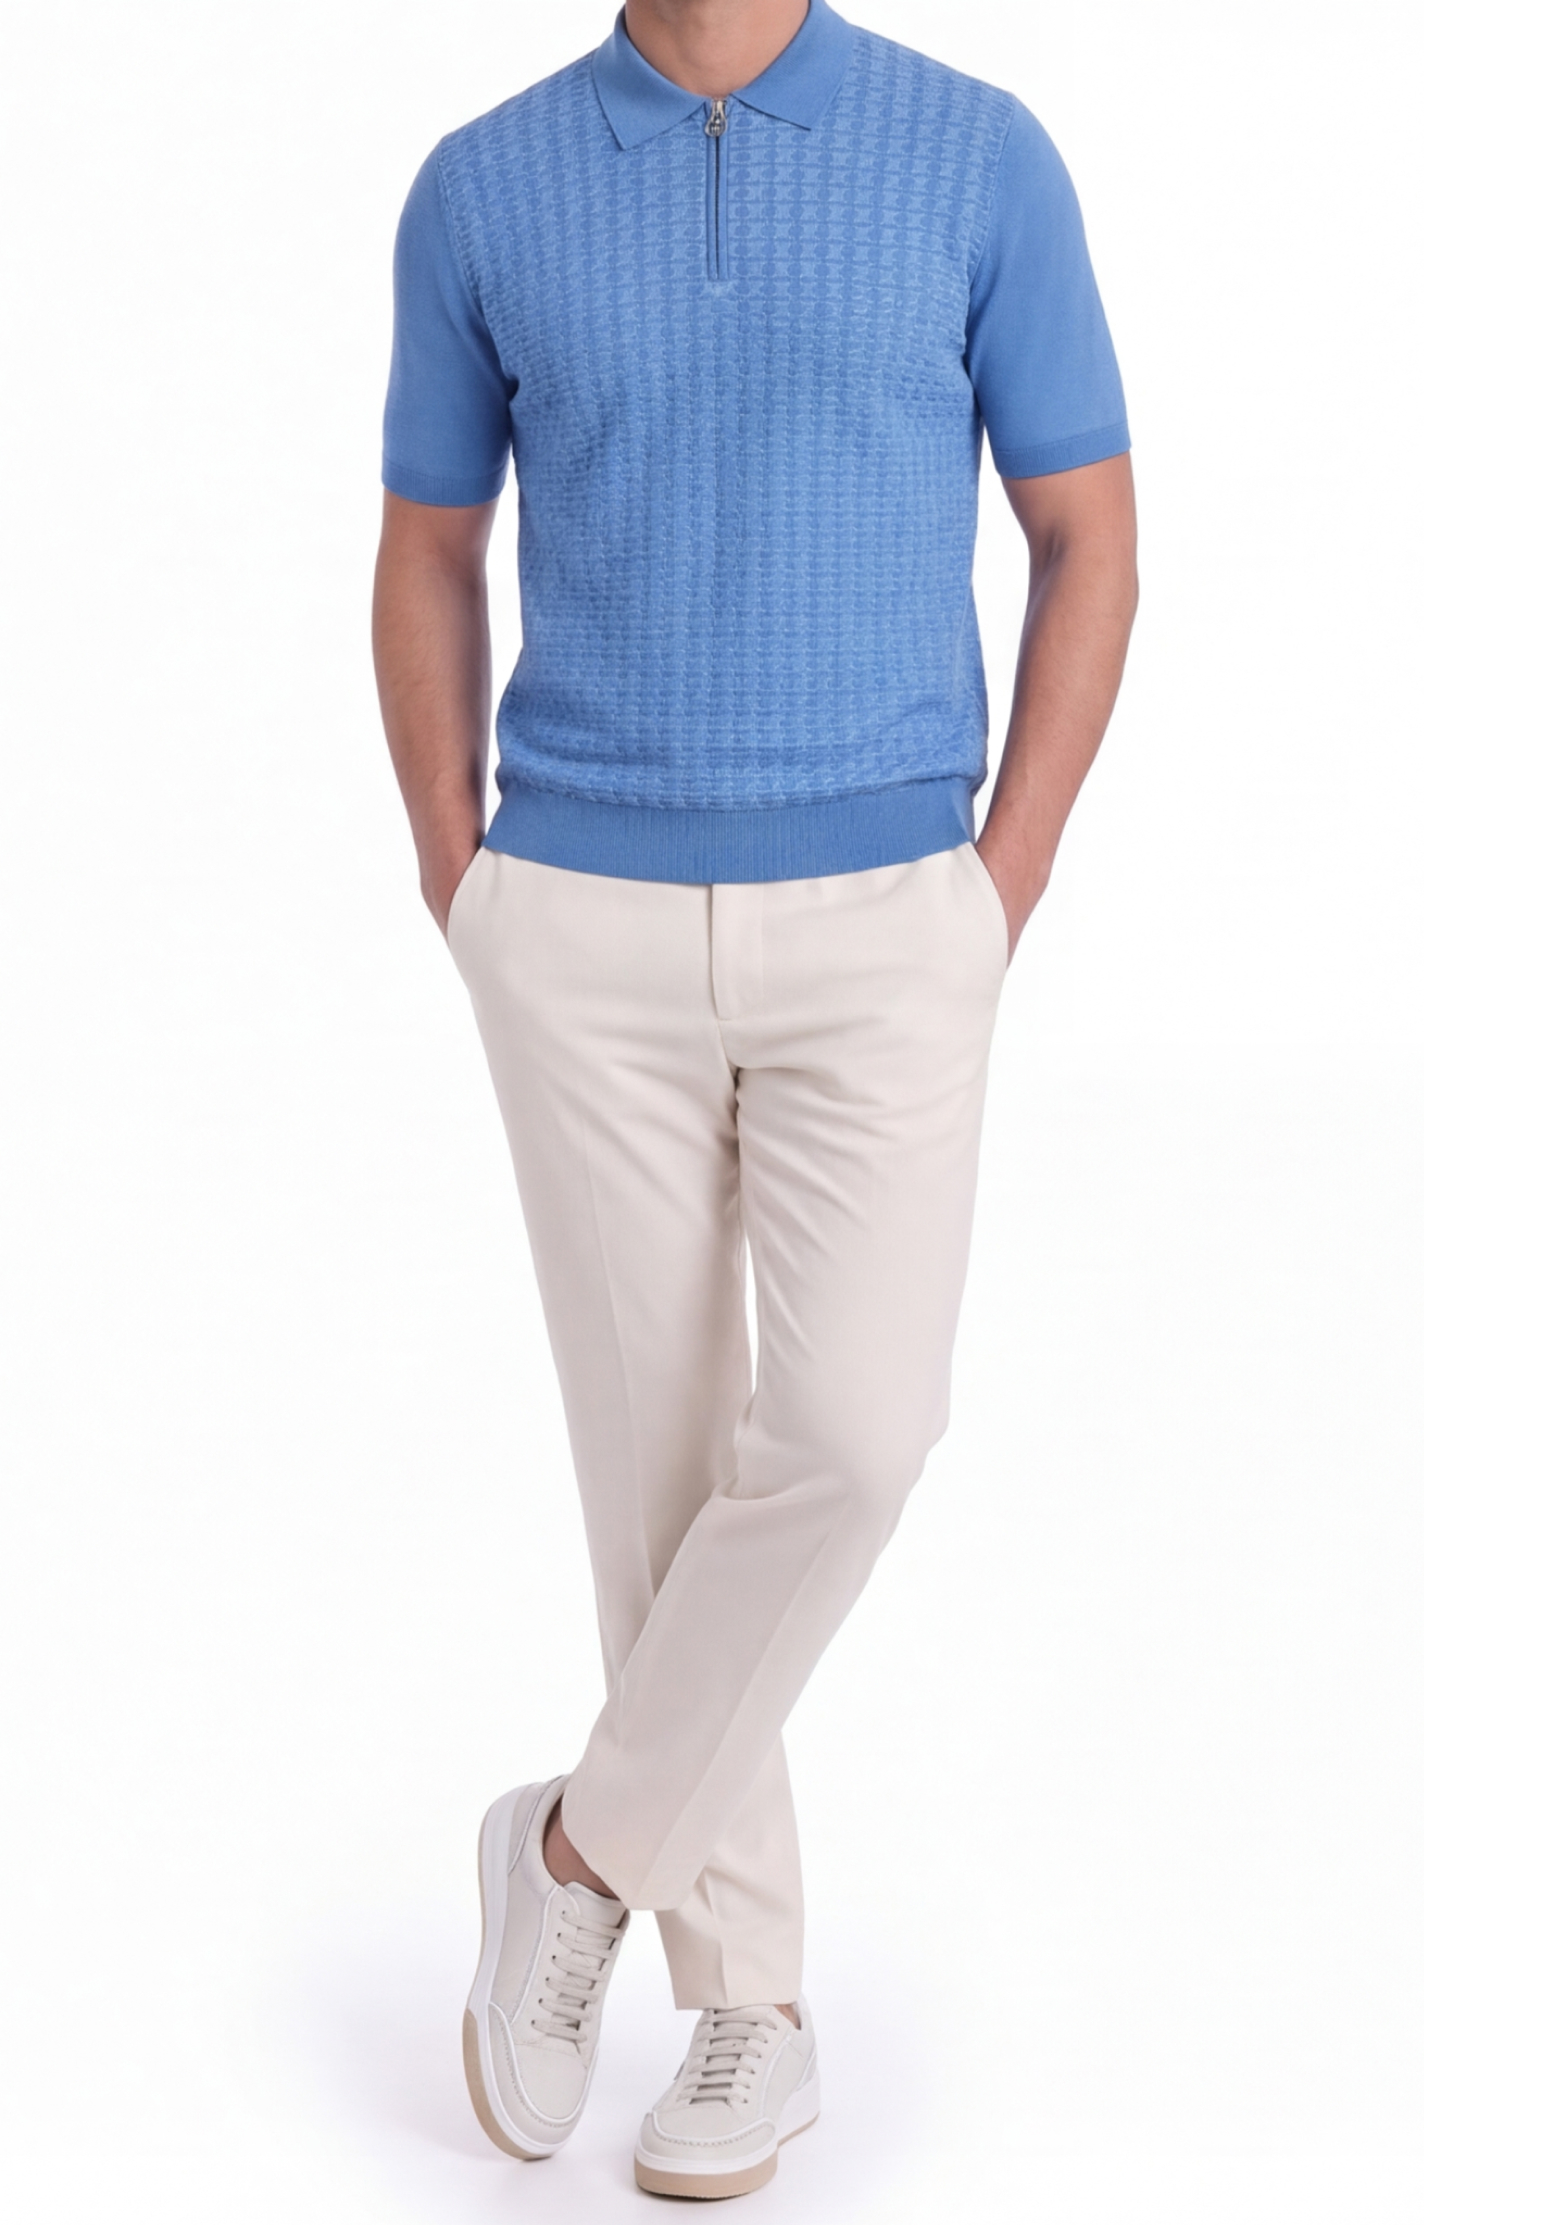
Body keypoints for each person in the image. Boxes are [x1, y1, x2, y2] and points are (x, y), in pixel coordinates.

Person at [373, 0, 1136, 2199]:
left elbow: (1089, 535)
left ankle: (576, 1852)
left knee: (856, 1434)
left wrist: (998, 885)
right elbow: (427, 544)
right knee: (659, 1480)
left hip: (890, 914)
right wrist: (459, 873)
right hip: (577, 922)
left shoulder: (975, 154)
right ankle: (757, 2012)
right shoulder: (484, 185)